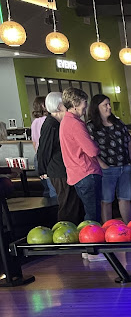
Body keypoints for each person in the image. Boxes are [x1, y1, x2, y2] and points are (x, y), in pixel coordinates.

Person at [87, 95, 131, 224]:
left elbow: (128, 140)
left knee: (125, 198)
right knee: (106, 200)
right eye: (105, 105)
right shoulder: (92, 126)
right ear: (96, 107)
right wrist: (102, 164)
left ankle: (128, 226)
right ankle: (108, 228)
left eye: (109, 104)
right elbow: (89, 148)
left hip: (124, 165)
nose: (109, 107)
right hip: (107, 167)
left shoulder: (117, 122)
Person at [36, 92, 83, 224]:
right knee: (67, 204)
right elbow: (44, 149)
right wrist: (42, 170)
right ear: (58, 106)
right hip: (58, 170)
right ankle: (66, 233)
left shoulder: (57, 123)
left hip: (62, 169)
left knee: (71, 203)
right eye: (64, 103)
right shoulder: (52, 125)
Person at [60, 87, 103, 223]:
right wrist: (96, 145)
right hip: (87, 172)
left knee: (89, 212)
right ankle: (92, 243)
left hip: (76, 173)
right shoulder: (75, 124)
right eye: (84, 102)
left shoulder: (65, 122)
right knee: (93, 215)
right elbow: (92, 151)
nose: (86, 105)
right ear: (74, 104)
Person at [31, 96, 56, 199]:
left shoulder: (34, 122)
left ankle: (48, 210)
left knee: (46, 189)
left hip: (38, 157)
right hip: (49, 157)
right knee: (54, 189)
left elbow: (34, 142)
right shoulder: (49, 120)